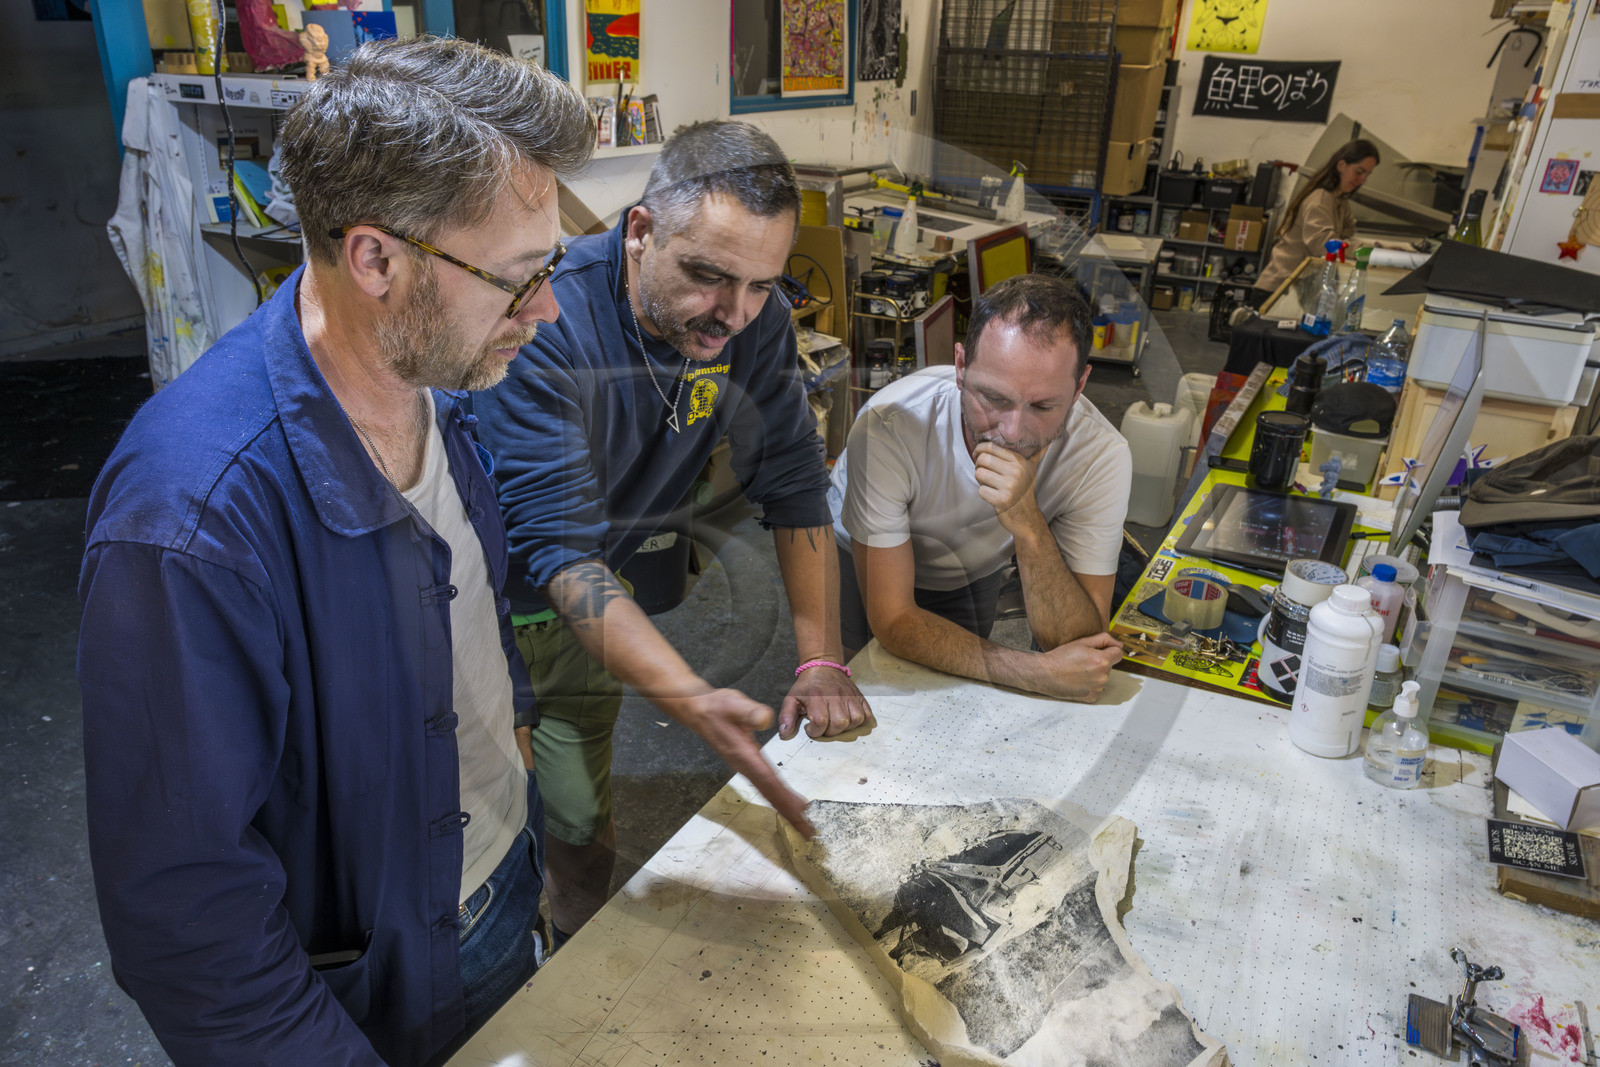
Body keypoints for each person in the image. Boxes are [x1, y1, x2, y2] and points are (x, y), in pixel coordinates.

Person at [77, 38, 593, 1066]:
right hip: (364, 1000)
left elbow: (467, 605)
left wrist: (516, 759)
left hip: (495, 885)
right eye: (516, 278)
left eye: (552, 266)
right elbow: (190, 923)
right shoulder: (192, 521)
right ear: (376, 260)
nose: (546, 309)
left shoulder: (439, 381)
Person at [471, 120, 871, 944]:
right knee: (482, 849)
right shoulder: (549, 317)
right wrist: (688, 695)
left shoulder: (754, 319)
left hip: (590, 604)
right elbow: (556, 547)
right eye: (707, 276)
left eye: (760, 284)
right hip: (476, 606)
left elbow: (795, 480)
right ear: (641, 231)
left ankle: (569, 962)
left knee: (581, 830)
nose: (733, 314)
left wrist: (821, 659)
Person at [829, 273, 1130, 702]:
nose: (1012, 432)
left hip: (971, 566)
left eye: (1043, 405)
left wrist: (1027, 522)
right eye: (993, 398)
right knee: (861, 687)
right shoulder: (889, 427)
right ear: (960, 366)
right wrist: (1037, 673)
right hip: (858, 548)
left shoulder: (1101, 455)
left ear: (1079, 386)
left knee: (951, 696)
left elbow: (1076, 645)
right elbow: (893, 619)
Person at [1252, 138, 1380, 301]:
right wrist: (1369, 251)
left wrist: (1377, 249)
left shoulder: (1339, 199)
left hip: (1298, 287)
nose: (1362, 180)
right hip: (1276, 291)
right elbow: (1322, 243)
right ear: (1341, 165)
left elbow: (1348, 229)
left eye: (1367, 174)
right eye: (1359, 171)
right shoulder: (1320, 199)